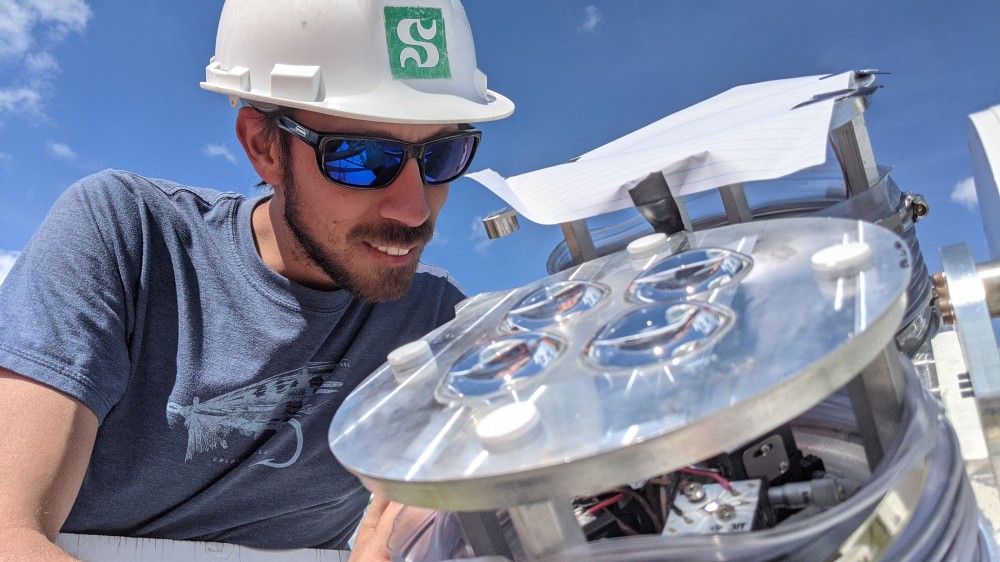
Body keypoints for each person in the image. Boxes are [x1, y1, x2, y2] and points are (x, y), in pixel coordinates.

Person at [0, 0, 513, 559]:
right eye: (362, 157)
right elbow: (10, 534)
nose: (413, 210)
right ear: (265, 145)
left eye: (442, 154)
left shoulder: (435, 320)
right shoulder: (131, 236)